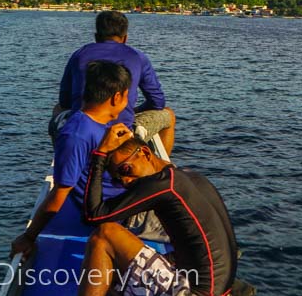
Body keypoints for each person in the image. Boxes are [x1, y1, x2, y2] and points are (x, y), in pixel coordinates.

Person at [78, 124, 238, 296]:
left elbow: (93, 215)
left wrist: (99, 156)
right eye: (117, 179)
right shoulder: (192, 177)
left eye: (126, 170)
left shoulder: (163, 185)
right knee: (112, 269)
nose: (125, 181)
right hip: (220, 289)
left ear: (145, 153)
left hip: (194, 292)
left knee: (104, 234)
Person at [11, 60, 138, 259]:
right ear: (117, 97)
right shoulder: (77, 135)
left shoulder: (104, 128)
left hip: (126, 201)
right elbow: (60, 193)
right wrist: (29, 236)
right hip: (122, 212)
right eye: (127, 95)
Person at [52, 11, 175, 154]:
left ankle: (67, 152)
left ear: (96, 37)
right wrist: (132, 110)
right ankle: (160, 168)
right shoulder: (138, 57)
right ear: (125, 38)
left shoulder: (79, 55)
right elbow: (157, 102)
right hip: (122, 129)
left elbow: (65, 101)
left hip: (83, 126)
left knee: (58, 109)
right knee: (169, 114)